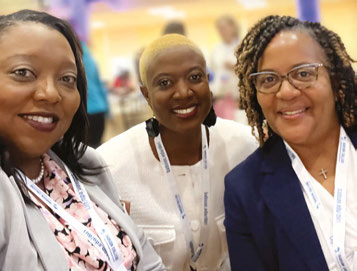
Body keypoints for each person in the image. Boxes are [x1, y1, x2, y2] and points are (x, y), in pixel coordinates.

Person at [0, 10, 165, 271]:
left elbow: (148, 259)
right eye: (23, 72)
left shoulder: (84, 163)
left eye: (67, 79)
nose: (51, 94)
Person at [98, 34, 257, 271]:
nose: (183, 92)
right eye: (165, 83)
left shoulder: (246, 148)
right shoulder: (110, 168)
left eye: (195, 78)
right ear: (146, 95)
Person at [224, 15, 357, 271]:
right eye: (269, 80)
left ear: (336, 80)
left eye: (304, 73)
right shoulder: (245, 189)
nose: (286, 92)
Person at [210, 15, 240, 121]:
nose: (221, 31)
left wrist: (235, 67)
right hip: (220, 95)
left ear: (232, 28)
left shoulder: (242, 46)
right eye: (219, 29)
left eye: (224, 28)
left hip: (238, 97)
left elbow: (249, 69)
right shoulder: (216, 49)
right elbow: (213, 72)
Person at [82, 41, 109, 148]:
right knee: (98, 146)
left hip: (86, 111)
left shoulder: (73, 61)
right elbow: (100, 86)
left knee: (86, 149)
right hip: (100, 108)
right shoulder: (92, 61)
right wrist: (107, 109)